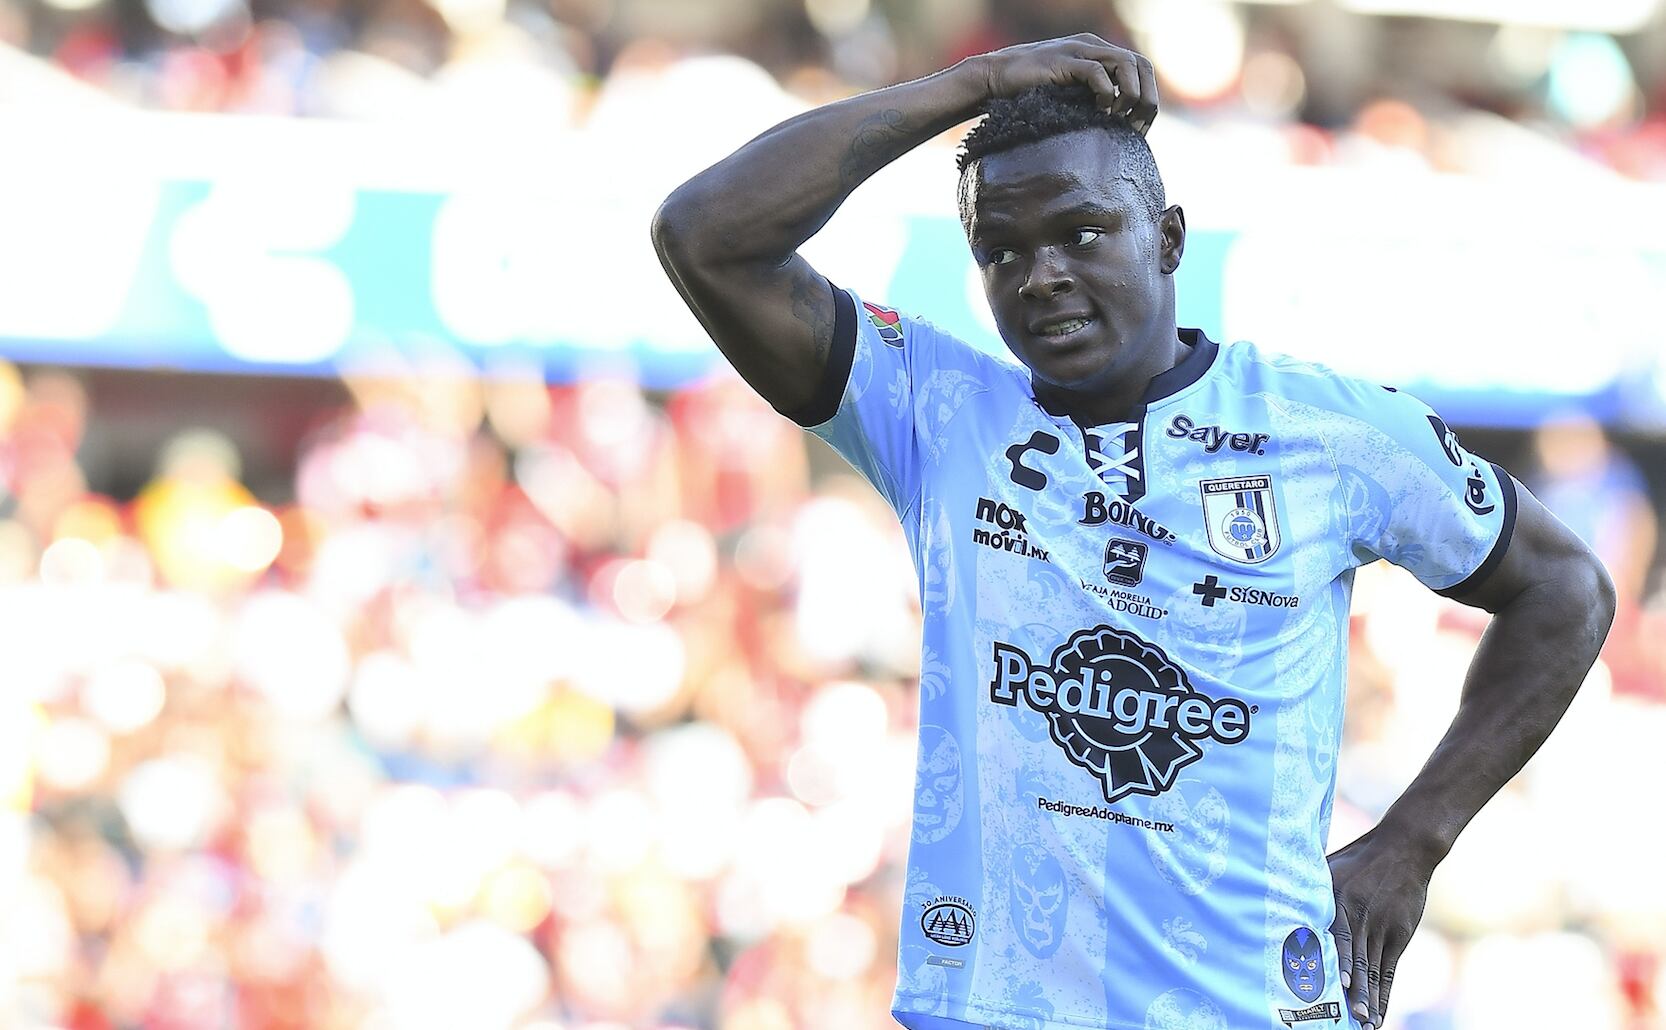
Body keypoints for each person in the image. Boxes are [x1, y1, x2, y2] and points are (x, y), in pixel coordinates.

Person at [651, 34, 1615, 1030]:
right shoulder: (934, 412)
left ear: (1168, 238)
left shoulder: (1328, 432)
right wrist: (973, 85)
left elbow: (1567, 590)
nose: (1041, 274)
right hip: (993, 1008)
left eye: (1081, 232)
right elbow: (703, 234)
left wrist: (1412, 842)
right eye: (1002, 250)